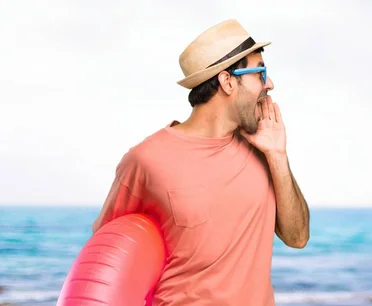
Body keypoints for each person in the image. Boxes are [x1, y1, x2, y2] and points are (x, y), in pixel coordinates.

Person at [91, 19, 310, 305]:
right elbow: (108, 256)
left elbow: (297, 237)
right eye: (260, 71)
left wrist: (278, 156)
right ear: (227, 81)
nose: (269, 83)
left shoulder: (263, 149)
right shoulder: (145, 161)